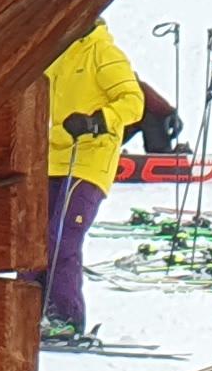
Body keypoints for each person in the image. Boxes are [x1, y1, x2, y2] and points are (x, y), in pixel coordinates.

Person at [43, 17, 141, 342]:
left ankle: (66, 318)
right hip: (50, 158)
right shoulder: (55, 52)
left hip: (88, 161)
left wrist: (97, 121)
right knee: (32, 240)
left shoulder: (103, 51)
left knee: (62, 237)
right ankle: (28, 311)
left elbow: (133, 102)